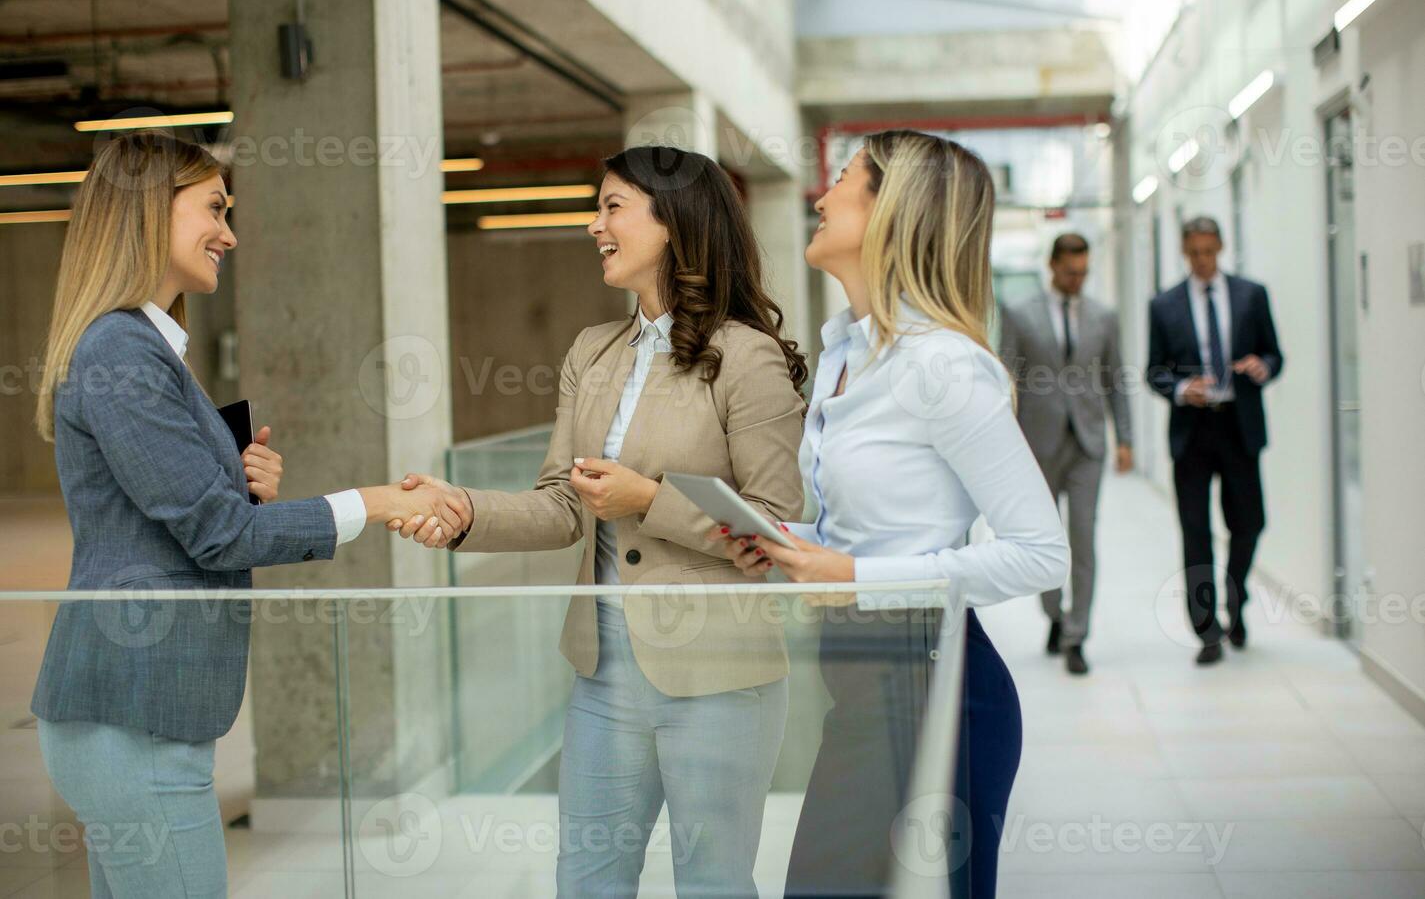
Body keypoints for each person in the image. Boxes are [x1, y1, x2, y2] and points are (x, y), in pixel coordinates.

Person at [29, 131, 471, 899]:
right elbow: (219, 537)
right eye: (213, 209)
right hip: (132, 719)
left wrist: (236, 484)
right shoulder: (122, 354)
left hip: (138, 717)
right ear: (147, 214)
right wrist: (379, 500)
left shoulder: (143, 349)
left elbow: (186, 517)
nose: (228, 233)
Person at [396, 145, 808, 897]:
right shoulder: (593, 351)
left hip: (719, 673)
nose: (594, 225)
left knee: (713, 883)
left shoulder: (746, 359)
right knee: (587, 879)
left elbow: (777, 533)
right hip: (603, 672)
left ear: (674, 221)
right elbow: (560, 503)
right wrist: (461, 510)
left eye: (612, 205)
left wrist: (648, 501)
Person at [710, 130, 1069, 898]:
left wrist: (854, 575)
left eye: (841, 179)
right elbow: (869, 534)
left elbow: (1042, 553)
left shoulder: (942, 366)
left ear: (892, 210)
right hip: (859, 679)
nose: (819, 194)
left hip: (938, 688)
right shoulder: (842, 353)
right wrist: (787, 544)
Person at [1147, 216, 1283, 665]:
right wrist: (1183, 389)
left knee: (1249, 523)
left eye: (1210, 251)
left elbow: (1274, 354)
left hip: (1239, 425)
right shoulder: (1164, 305)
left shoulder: (1251, 294)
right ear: (1185, 252)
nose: (1203, 260)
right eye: (1195, 253)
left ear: (1221, 246)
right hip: (1193, 430)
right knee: (1196, 532)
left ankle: (1235, 595)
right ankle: (1207, 632)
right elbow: (1155, 371)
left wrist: (1263, 368)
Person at [997, 232, 1133, 675]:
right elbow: (1006, 378)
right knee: (1044, 539)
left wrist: (1125, 439)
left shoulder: (1104, 317)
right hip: (1038, 443)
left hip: (1088, 443)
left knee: (1083, 538)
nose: (1078, 279)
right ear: (1053, 266)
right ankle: (1054, 613)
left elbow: (1114, 380)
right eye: (1071, 271)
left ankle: (1077, 635)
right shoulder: (1019, 313)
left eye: (1084, 272)